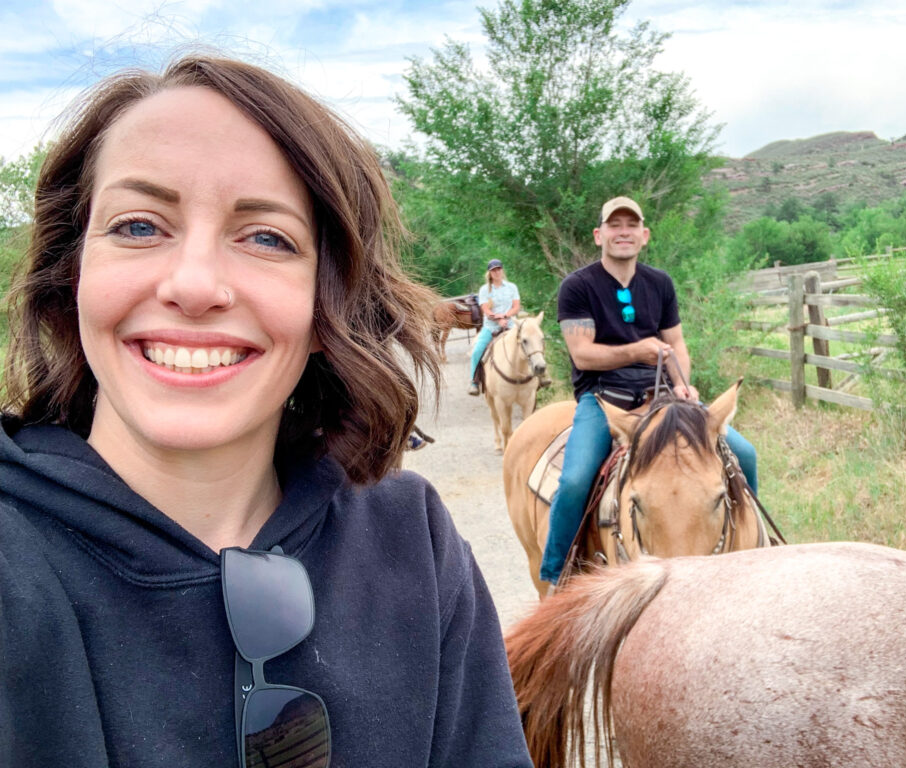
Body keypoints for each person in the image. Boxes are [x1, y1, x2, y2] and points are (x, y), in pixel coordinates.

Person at [0, 55, 530, 767]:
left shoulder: (413, 541)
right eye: (137, 226)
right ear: (73, 275)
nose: (194, 285)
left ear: (326, 305)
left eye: (267, 237)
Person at [539, 196, 759, 588]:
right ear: (599, 234)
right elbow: (583, 354)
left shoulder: (659, 283)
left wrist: (682, 385)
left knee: (744, 454)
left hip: (663, 398)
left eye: (631, 225)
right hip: (605, 400)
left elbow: (677, 344)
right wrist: (639, 350)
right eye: (614, 225)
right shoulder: (578, 286)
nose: (623, 232)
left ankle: (754, 552)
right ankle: (557, 574)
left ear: (644, 235)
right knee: (574, 481)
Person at [467, 258, 520, 395]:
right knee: (477, 350)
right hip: (491, 327)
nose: (496, 272)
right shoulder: (485, 290)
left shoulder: (512, 287)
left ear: (502, 270)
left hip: (511, 324)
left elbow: (516, 307)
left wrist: (505, 317)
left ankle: (540, 376)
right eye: (493, 270)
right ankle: (474, 381)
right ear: (489, 273)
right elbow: (486, 309)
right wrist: (498, 319)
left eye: (498, 269)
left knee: (530, 343)